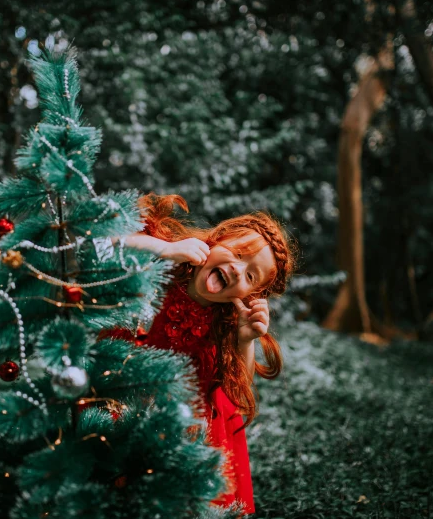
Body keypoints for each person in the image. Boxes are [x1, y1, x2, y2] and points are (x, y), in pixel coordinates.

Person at [105, 193, 297, 515]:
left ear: (248, 295)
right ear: (217, 239)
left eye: (250, 276)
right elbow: (102, 243)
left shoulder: (222, 326)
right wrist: (163, 250)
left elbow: (236, 391)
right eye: (237, 253)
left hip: (167, 423)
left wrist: (245, 340)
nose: (237, 270)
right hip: (111, 386)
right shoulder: (165, 257)